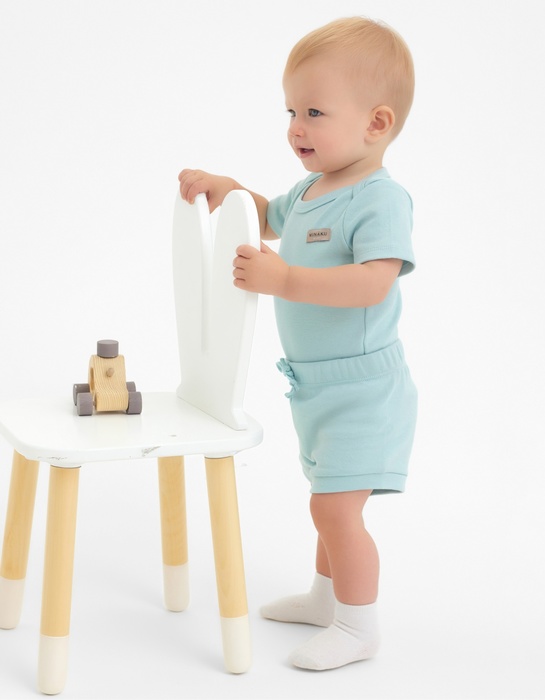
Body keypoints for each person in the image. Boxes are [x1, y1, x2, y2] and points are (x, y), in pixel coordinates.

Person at [178, 16, 417, 671]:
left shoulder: (380, 199)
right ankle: (325, 597)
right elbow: (269, 216)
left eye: (314, 112)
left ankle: (359, 626)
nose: (295, 128)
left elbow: (373, 283)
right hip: (316, 387)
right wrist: (229, 192)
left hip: (365, 389)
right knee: (325, 501)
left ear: (376, 123)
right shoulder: (313, 189)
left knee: (334, 508)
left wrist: (285, 279)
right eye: (291, 111)